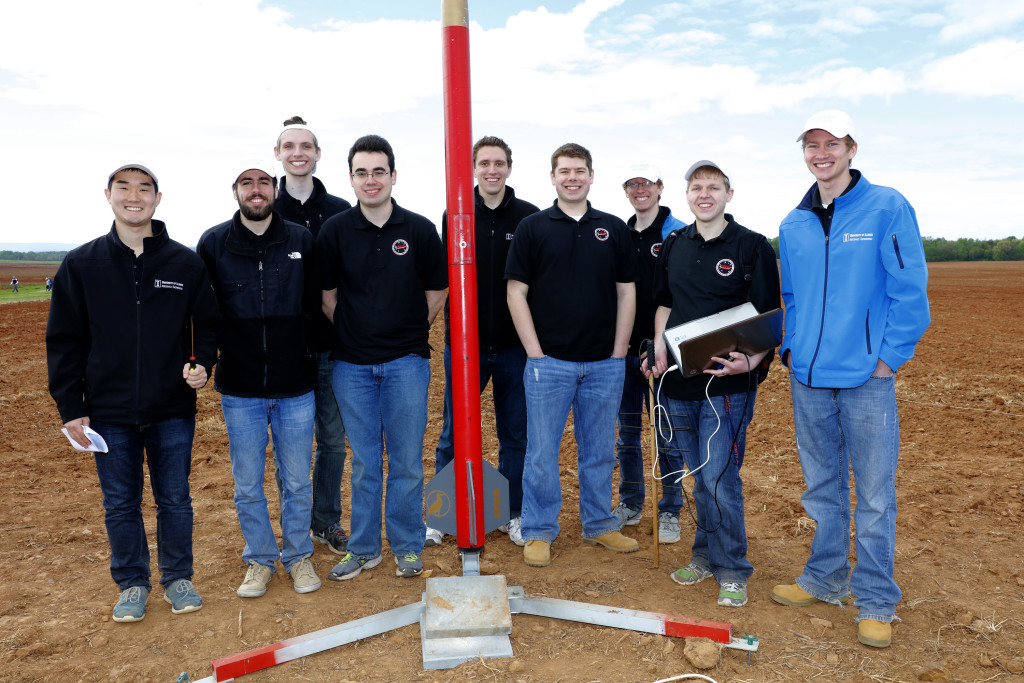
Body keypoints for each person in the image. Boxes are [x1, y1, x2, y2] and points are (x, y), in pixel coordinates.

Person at [771, 110, 930, 648]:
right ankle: (824, 578)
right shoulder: (792, 223)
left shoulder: (887, 206)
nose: (821, 153)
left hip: (867, 378)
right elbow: (789, 297)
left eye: (830, 143)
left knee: (875, 495)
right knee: (822, 488)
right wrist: (791, 350)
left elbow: (910, 289)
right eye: (811, 145)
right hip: (809, 379)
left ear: (851, 148)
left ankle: (877, 599)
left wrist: (888, 358)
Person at [46, 163, 219, 622]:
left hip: (171, 409)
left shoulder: (184, 262)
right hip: (108, 412)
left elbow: (208, 324)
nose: (134, 196)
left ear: (158, 199)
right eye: (124, 188)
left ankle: (178, 577)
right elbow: (64, 340)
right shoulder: (82, 263)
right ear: (108, 196)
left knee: (175, 498)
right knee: (120, 502)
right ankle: (132, 583)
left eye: (144, 189)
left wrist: (202, 363)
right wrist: (71, 406)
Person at [649, 160, 780, 608]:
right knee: (698, 478)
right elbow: (665, 304)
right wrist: (659, 346)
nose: (704, 194)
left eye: (713, 187)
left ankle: (733, 569)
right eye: (696, 187)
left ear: (729, 193)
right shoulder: (675, 244)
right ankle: (704, 555)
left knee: (721, 477)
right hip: (680, 384)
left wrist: (753, 361)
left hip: (728, 388)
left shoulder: (751, 247)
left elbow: (768, 318)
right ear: (686, 195)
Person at [318, 135, 447, 581]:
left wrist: (407, 332)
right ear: (351, 178)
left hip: (407, 364)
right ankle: (364, 548)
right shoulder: (334, 231)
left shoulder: (419, 229)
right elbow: (328, 298)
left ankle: (409, 547)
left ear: (393, 175)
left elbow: (438, 291)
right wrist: (358, 336)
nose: (370, 180)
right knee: (366, 463)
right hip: (351, 367)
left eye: (378, 171)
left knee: (408, 461)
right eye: (361, 172)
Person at [505, 142, 640, 568]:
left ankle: (599, 524)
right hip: (551, 364)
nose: (572, 178)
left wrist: (619, 352)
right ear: (552, 177)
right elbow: (515, 291)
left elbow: (627, 292)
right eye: (564, 171)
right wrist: (535, 352)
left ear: (591, 175)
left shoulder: (614, 228)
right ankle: (539, 529)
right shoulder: (533, 227)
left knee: (598, 448)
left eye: (579, 170)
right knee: (541, 452)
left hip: (604, 364)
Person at [196, 161, 321, 598]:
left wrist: (314, 359)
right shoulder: (213, 243)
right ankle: (260, 560)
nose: (256, 190)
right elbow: (203, 314)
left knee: (297, 480)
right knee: (247, 483)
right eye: (247, 183)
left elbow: (314, 309)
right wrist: (203, 361)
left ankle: (299, 556)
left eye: (263, 183)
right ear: (235, 191)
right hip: (241, 388)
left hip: (295, 387)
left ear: (274, 190)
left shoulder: (300, 240)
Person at [428, 135, 539, 547]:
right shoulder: (454, 214)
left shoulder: (529, 218)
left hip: (513, 347)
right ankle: (444, 514)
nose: (492, 170)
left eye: (499, 163)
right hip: (465, 346)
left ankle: (512, 513)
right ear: (473, 168)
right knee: (453, 433)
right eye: (484, 163)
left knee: (515, 434)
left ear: (509, 167)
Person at [273, 116, 353, 555]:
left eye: (306, 146)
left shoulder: (341, 210)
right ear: (278, 154)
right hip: (285, 351)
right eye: (289, 146)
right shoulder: (266, 204)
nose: (298, 153)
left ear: (318, 154)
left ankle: (326, 522)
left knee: (333, 441)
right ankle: (294, 527)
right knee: (289, 447)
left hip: (333, 347)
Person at [613, 162, 687, 544]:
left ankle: (671, 509)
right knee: (627, 434)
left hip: (664, 352)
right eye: (632, 183)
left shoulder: (678, 234)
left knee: (666, 433)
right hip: (624, 350)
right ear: (626, 190)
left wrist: (664, 345)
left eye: (647, 183)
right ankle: (630, 501)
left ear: (660, 187)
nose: (640, 189)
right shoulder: (617, 234)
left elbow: (681, 295)